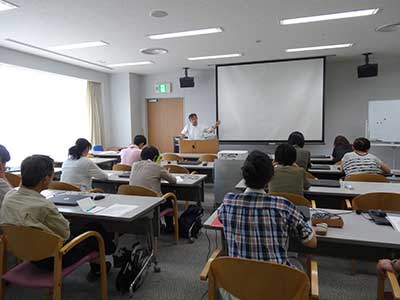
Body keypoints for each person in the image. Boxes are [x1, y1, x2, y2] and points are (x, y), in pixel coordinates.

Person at [0, 155, 115, 280]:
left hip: (24, 252)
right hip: (52, 258)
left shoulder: (9, 196)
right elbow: (66, 233)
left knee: (87, 227)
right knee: (94, 229)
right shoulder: (44, 205)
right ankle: (109, 251)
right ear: (45, 180)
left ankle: (99, 266)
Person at [218, 150, 316, 269]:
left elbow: (220, 217)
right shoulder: (283, 206)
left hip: (238, 282)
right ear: (270, 178)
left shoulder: (228, 201)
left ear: (244, 175)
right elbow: (311, 242)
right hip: (275, 283)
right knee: (297, 264)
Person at [129, 146, 177, 232]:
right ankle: (170, 228)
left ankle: (158, 225)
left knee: (154, 192)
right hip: (152, 205)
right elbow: (173, 181)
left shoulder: (134, 165)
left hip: (136, 202)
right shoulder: (156, 166)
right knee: (169, 198)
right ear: (155, 157)